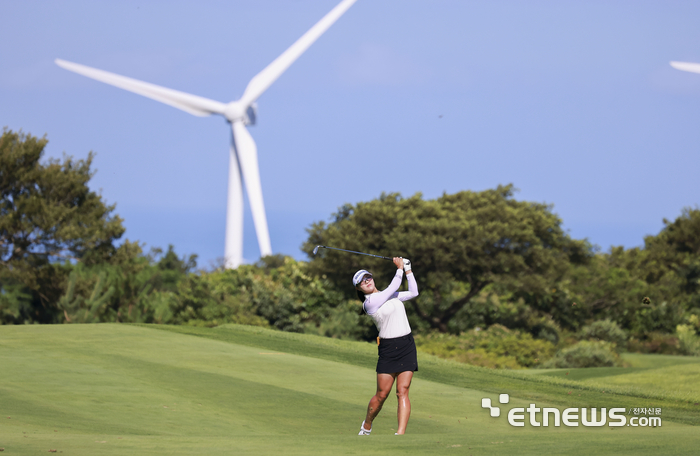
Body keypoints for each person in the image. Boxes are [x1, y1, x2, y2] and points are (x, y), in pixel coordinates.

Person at [354, 257, 419, 436]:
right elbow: (393, 287)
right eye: (362, 281)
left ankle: (400, 434)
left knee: (402, 391)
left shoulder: (390, 295)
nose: (366, 281)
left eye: (368, 277)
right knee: (382, 394)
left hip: (406, 345)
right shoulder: (369, 304)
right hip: (388, 349)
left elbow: (413, 292)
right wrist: (399, 268)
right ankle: (367, 425)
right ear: (359, 288)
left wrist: (408, 269)